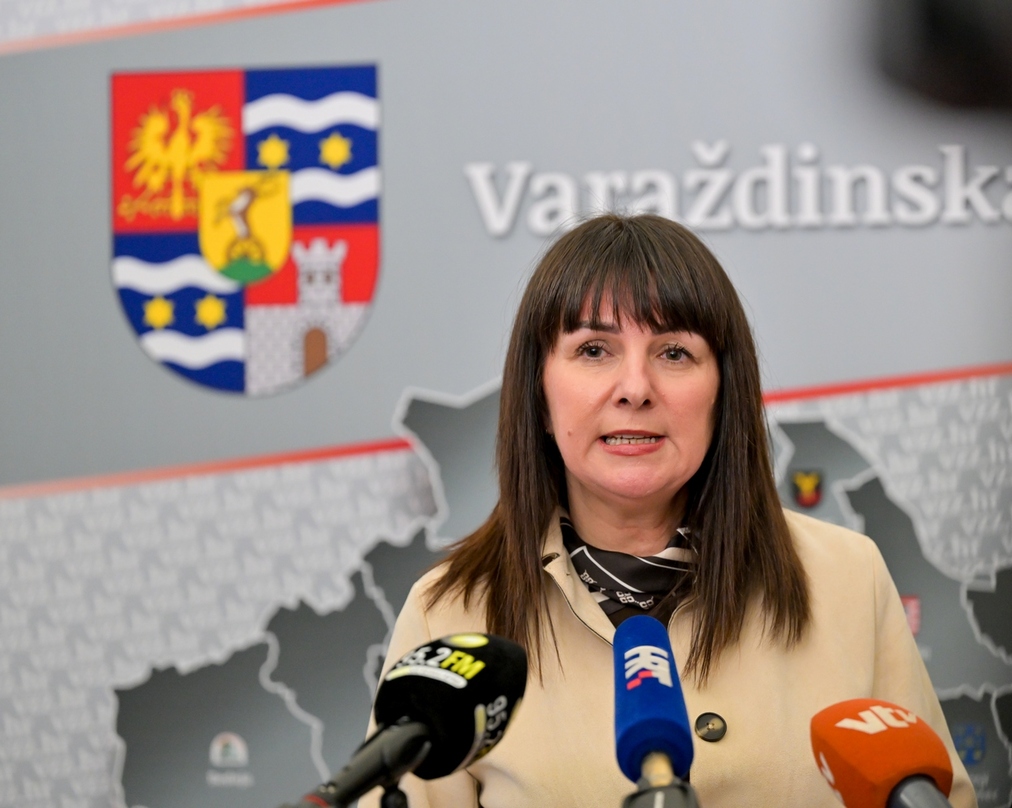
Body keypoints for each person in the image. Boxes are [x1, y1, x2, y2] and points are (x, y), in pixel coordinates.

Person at [367, 213, 976, 808]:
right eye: (594, 350)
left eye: (675, 353)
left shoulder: (847, 578)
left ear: (723, 391)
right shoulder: (448, 613)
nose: (635, 388)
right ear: (539, 395)